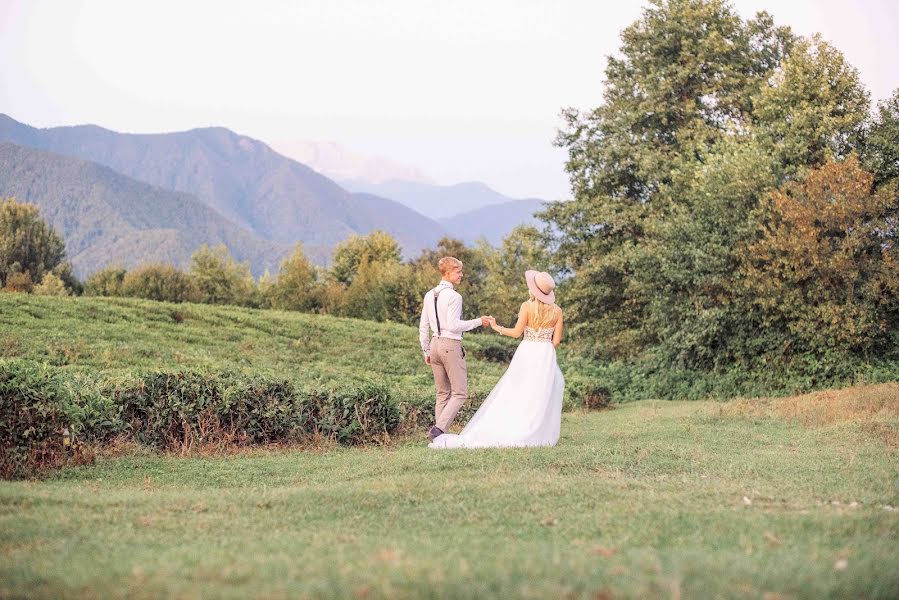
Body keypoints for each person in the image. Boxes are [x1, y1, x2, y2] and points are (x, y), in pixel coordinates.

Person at [428, 270, 564, 449]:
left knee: (518, 390)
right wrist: (543, 346)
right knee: (540, 392)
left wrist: (496, 327)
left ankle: (515, 426)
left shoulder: (527, 306)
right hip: (546, 353)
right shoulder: (557, 311)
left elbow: (516, 333)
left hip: (527, 351)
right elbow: (556, 341)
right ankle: (536, 430)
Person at [419, 256, 492, 442]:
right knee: (460, 393)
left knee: (442, 393)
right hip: (450, 345)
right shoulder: (454, 296)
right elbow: (452, 325)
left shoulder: (429, 294)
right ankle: (439, 429)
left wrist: (426, 351)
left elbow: (423, 326)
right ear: (448, 273)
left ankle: (438, 436)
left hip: (434, 344)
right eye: (458, 271)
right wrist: (479, 322)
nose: (461, 275)